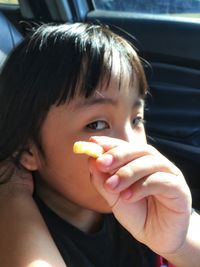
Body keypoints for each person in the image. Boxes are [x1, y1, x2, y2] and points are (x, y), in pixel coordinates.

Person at [0, 22, 200, 267]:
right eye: (96, 124)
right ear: (27, 149)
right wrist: (12, 196)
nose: (130, 145)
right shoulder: (15, 234)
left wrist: (177, 242)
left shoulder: (147, 199)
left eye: (136, 119)